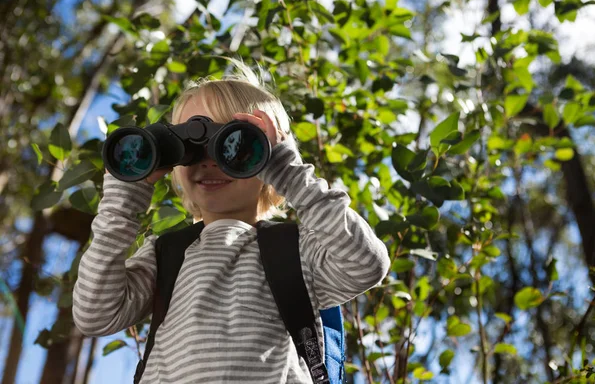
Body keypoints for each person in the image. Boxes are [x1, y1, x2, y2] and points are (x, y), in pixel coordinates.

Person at [72, 58, 391, 384]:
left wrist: (292, 176)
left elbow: (365, 264)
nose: (208, 161)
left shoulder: (294, 251)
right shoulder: (167, 254)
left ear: (273, 159)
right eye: (189, 149)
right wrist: (122, 203)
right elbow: (95, 315)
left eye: (234, 144)